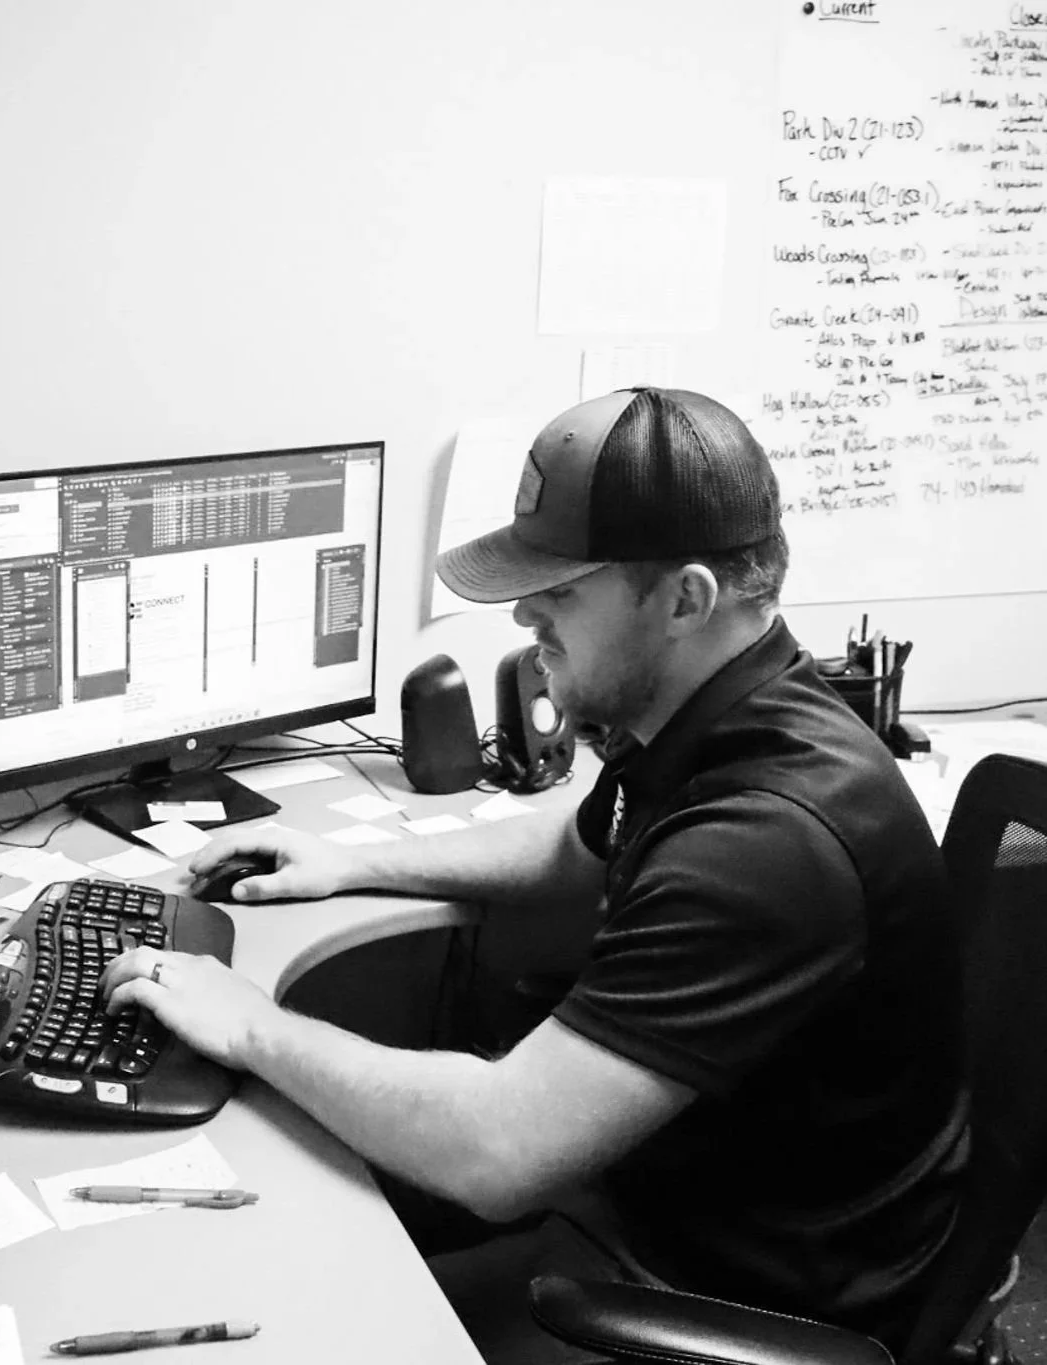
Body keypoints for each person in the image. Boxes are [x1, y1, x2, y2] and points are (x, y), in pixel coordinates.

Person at [102, 387, 968, 1360]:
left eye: (560, 590)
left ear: (686, 598)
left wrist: (248, 1022)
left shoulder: (765, 847)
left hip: (731, 1294)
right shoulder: (722, 713)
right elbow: (582, 846)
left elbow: (498, 1153)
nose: (522, 613)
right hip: (675, 1199)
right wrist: (353, 864)